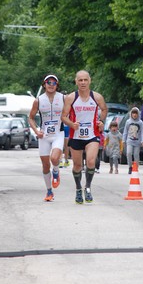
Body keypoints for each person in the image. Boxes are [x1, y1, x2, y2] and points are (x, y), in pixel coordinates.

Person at [62, 70, 107, 203]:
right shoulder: (71, 98)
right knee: (77, 166)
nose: (83, 83)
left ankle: (87, 187)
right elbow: (63, 116)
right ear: (76, 81)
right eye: (80, 80)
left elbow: (104, 109)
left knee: (91, 161)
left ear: (89, 81)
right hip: (76, 135)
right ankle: (78, 188)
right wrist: (71, 124)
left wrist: (101, 121)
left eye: (85, 80)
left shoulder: (97, 97)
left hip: (92, 135)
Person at [29, 74, 65, 202]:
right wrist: (36, 131)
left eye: (53, 83)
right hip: (44, 135)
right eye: (48, 82)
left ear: (57, 85)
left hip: (58, 134)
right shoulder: (38, 100)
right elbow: (31, 118)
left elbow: (72, 112)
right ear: (44, 85)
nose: (51, 85)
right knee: (45, 165)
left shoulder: (63, 98)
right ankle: (49, 191)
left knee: (54, 158)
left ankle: (56, 171)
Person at [122, 107, 143, 174]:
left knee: (136, 155)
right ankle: (130, 167)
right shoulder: (128, 122)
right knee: (129, 153)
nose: (134, 115)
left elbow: (142, 132)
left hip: (137, 141)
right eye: (133, 113)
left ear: (138, 114)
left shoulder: (140, 122)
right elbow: (125, 131)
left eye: (136, 113)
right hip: (129, 140)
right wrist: (123, 140)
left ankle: (136, 167)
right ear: (131, 114)